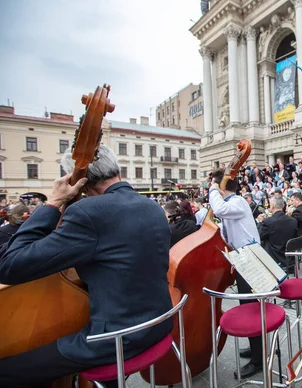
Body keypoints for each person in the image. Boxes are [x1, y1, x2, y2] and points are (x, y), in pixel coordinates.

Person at [0, 145, 173, 387]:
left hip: (116, 338)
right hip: (159, 323)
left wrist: (54, 202)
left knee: (7, 369)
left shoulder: (88, 212)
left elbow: (10, 265)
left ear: (79, 181)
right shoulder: (152, 206)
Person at [208, 168, 263, 379]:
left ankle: (258, 359)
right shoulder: (233, 205)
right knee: (248, 307)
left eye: (215, 185)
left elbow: (219, 209)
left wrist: (213, 188)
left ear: (222, 186)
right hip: (243, 258)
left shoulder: (237, 202)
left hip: (250, 259)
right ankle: (256, 347)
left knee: (250, 309)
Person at [256, 196, 297, 270]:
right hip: (289, 258)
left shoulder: (268, 222)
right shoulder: (293, 220)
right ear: (283, 206)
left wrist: (260, 223)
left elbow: (259, 236)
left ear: (272, 206)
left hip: (274, 258)